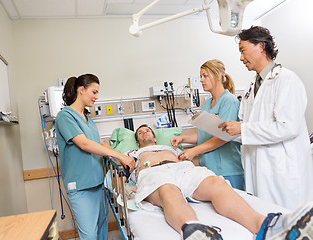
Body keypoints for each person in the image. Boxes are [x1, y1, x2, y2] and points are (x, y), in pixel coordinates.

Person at [126, 124, 313, 240]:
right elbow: (123, 174)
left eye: (147, 130)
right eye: (140, 132)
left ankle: (267, 228)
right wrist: (126, 186)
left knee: (217, 183)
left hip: (182, 168)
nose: (144, 133)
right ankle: (195, 233)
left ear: (155, 136)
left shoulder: (170, 147)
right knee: (169, 191)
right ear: (137, 141)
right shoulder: (132, 154)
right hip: (153, 173)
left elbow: (190, 155)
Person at [218, 26, 313, 210]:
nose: (240, 58)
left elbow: (288, 127)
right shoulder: (252, 87)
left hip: (282, 172)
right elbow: (248, 128)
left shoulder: (286, 80)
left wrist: (242, 129)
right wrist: (229, 128)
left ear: (261, 47)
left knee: (289, 225)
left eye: (243, 50)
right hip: (259, 171)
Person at [55, 74, 135, 240]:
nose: (96, 97)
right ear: (81, 90)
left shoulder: (87, 119)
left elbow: (98, 142)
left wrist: (121, 157)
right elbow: (84, 144)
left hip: (98, 184)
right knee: (90, 235)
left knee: (100, 232)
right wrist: (119, 156)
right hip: (81, 186)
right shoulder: (65, 116)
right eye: (94, 92)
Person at [171, 59, 245, 190]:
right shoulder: (206, 103)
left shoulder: (229, 101)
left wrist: (194, 151)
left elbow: (223, 138)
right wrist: (183, 138)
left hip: (227, 170)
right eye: (201, 76)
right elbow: (202, 135)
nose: (201, 80)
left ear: (217, 76)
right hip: (208, 170)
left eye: (205, 76)